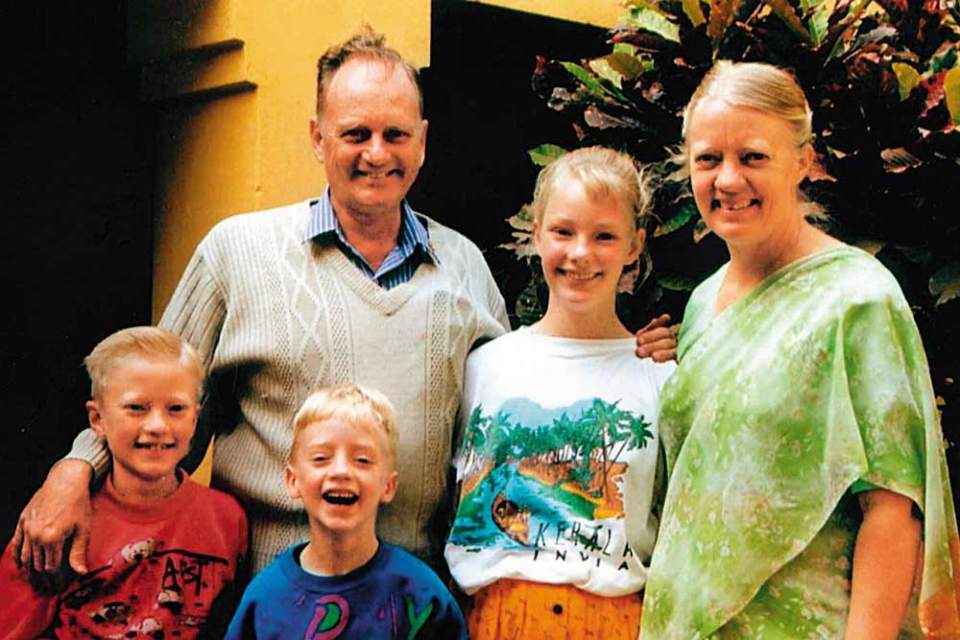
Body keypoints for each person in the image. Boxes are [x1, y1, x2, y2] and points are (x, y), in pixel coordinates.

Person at [14, 27, 509, 576]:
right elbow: (154, 401)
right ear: (318, 138)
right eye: (355, 133)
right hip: (269, 597)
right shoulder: (237, 253)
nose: (376, 153)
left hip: (419, 603)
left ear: (422, 140)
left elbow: (509, 426)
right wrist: (75, 469)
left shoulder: (466, 266)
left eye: (395, 134)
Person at [639, 60, 960, 638]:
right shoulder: (701, 304)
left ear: (804, 161)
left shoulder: (857, 299)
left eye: (753, 157)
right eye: (708, 159)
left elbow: (891, 508)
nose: (727, 180)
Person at [445, 147, 676, 639]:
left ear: (635, 246)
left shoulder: (661, 376)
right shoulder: (484, 365)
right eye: (564, 231)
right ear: (536, 234)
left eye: (604, 236)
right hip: (492, 618)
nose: (580, 253)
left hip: (615, 619)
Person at [0, 327, 247, 639]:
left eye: (176, 409)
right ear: (97, 420)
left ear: (195, 419)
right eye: (137, 407)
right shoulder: (54, 523)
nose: (158, 425)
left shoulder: (227, 519)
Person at [226, 383, 466, 638]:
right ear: (293, 481)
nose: (340, 471)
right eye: (321, 458)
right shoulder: (266, 597)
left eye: (362, 460)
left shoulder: (421, 594)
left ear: (388, 485)